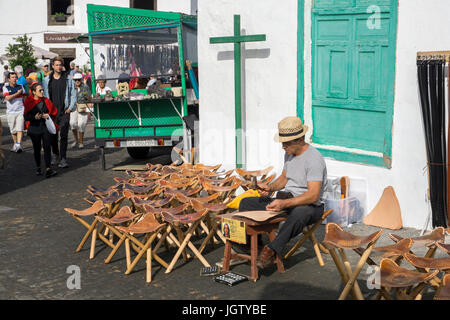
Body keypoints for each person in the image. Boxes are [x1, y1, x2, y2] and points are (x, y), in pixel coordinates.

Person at [238, 116, 328, 269]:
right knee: (246, 203)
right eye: (282, 143)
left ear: (299, 140)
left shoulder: (314, 160)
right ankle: (256, 244)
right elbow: (284, 178)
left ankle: (271, 249)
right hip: (288, 200)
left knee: (300, 213)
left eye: (286, 143)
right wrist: (270, 187)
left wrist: (284, 203)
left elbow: (313, 195)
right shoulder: (290, 153)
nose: (283, 147)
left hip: (311, 206)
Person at [42, 56, 77, 168]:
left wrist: (70, 108)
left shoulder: (68, 78)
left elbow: (73, 94)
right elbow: (44, 96)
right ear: (53, 66)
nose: (58, 67)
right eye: (56, 65)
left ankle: (63, 158)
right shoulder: (47, 80)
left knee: (64, 135)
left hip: (64, 111)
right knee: (53, 135)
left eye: (60, 65)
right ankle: (56, 154)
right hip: (52, 112)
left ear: (62, 66)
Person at [24, 83, 58, 178]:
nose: (42, 91)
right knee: (37, 148)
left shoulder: (46, 100)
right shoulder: (28, 101)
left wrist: (48, 116)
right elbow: (26, 116)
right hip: (34, 128)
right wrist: (34, 117)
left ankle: (48, 168)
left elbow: (54, 112)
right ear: (34, 92)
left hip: (45, 127)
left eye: (42, 90)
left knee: (47, 147)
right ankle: (38, 167)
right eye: (40, 90)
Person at [2, 72, 25, 153]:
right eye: (12, 77)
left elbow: (24, 97)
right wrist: (17, 93)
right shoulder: (6, 87)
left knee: (20, 128)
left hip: (20, 111)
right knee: (13, 130)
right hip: (10, 112)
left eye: (15, 77)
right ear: (9, 79)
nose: (15, 79)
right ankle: (15, 144)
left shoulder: (21, 86)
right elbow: (8, 98)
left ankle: (18, 145)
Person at [69, 73, 91, 149]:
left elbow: (89, 98)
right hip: (74, 107)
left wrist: (89, 111)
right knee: (72, 123)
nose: (77, 81)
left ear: (81, 80)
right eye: (76, 80)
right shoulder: (71, 87)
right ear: (74, 80)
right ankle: (76, 140)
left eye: (79, 79)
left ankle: (81, 142)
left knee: (81, 124)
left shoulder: (85, 87)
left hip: (82, 107)